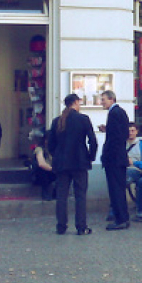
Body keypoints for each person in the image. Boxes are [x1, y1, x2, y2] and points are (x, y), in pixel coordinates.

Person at [47, 93, 97, 235]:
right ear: (75, 102)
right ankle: (81, 226)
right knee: (80, 195)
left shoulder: (57, 121)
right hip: (79, 162)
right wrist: (90, 157)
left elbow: (50, 144)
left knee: (62, 195)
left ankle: (61, 226)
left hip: (62, 163)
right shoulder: (83, 119)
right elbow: (92, 141)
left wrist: (56, 155)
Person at [99, 90, 131, 230]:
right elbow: (120, 133)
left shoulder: (114, 113)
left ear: (111, 99)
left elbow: (116, 137)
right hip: (118, 157)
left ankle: (121, 219)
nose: (102, 102)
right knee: (118, 189)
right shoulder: (119, 112)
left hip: (115, 159)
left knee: (115, 189)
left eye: (104, 99)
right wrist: (108, 129)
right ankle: (122, 217)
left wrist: (107, 155)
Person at [30, 134, 56, 200]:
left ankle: (56, 193)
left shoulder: (55, 149)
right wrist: (53, 169)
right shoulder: (39, 149)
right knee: (41, 170)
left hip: (51, 172)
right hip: (40, 174)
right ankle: (46, 194)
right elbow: (41, 164)